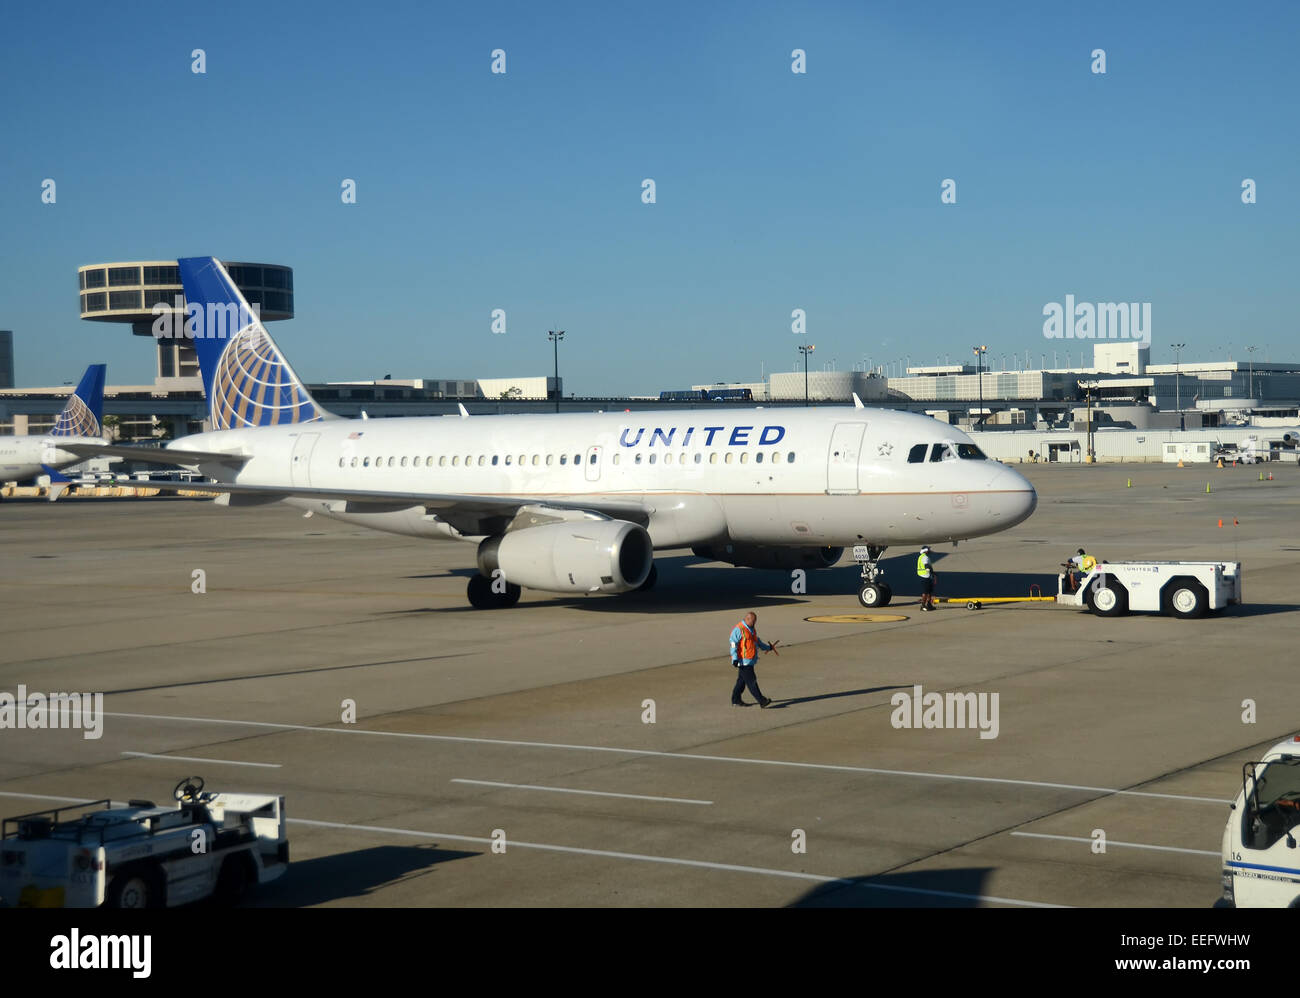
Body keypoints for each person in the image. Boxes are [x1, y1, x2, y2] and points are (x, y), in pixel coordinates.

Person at [730, 611, 776, 707]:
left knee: (741, 682)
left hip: (750, 660)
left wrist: (768, 648)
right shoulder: (739, 629)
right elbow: (733, 644)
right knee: (752, 681)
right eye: (753, 621)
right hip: (743, 661)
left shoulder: (751, 629)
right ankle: (762, 701)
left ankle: (735, 699)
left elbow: (757, 642)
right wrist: (734, 658)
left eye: (755, 621)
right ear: (747, 619)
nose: (754, 623)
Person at [917, 545, 936, 610]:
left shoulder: (922, 556)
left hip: (927, 576)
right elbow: (926, 566)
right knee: (925, 592)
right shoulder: (925, 557)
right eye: (928, 549)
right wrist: (930, 571)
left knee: (929, 592)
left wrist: (932, 574)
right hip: (925, 576)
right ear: (926, 551)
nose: (930, 551)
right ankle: (923, 606)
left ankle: (929, 605)